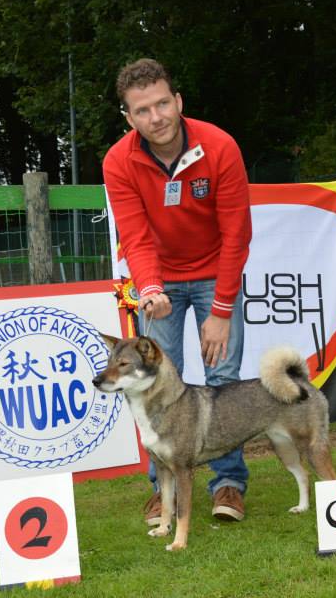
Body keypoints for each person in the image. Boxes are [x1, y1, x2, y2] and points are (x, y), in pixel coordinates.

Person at [103, 58, 252, 525]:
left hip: (216, 275)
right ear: (129, 118)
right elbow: (136, 235)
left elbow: (237, 233)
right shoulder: (117, 161)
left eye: (163, 103)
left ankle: (228, 484)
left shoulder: (220, 145)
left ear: (178, 101)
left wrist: (222, 307)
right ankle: (162, 490)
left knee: (223, 381)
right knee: (156, 386)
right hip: (160, 279)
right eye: (143, 110)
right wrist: (150, 288)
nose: (157, 117)